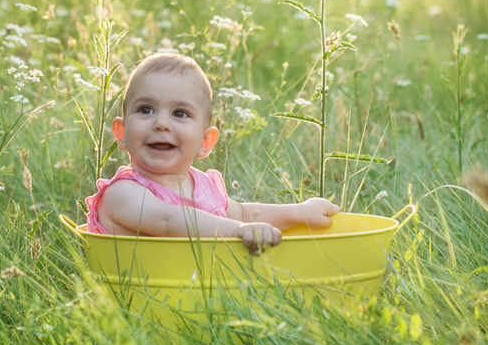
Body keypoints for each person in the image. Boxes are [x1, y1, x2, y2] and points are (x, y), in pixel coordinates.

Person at [85, 52, 339, 253]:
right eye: (146, 109)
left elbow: (243, 213)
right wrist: (239, 230)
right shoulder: (122, 193)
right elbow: (169, 222)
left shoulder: (202, 184)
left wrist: (299, 212)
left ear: (205, 141)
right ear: (121, 132)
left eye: (180, 113)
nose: (161, 123)